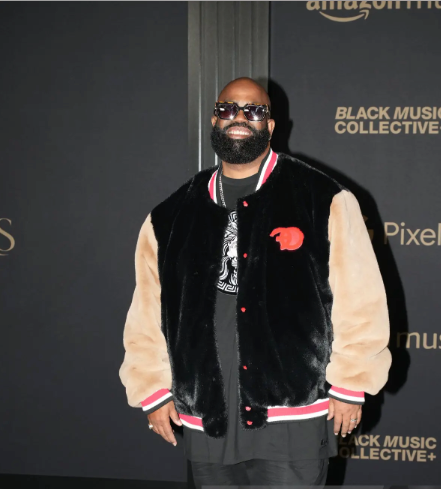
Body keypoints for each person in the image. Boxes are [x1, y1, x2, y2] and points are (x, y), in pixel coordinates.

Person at [119, 77, 392, 487]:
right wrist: (151, 390)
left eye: (254, 110)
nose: (240, 118)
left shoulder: (323, 198)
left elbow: (361, 300)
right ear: (214, 119)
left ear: (271, 125)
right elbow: (146, 314)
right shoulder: (169, 216)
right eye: (228, 109)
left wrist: (351, 384)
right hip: (207, 415)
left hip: (292, 414)